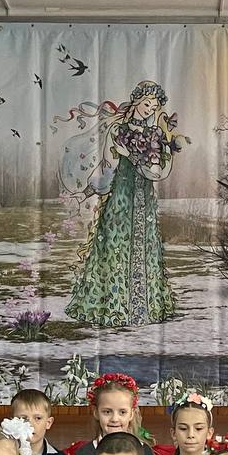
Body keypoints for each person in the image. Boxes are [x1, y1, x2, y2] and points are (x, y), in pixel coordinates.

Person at [57, 79, 186, 328]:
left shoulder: (156, 134)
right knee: (115, 247)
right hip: (120, 198)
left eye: (154, 106)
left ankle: (144, 308)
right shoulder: (118, 130)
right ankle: (114, 308)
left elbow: (158, 172)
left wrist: (133, 156)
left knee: (145, 248)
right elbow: (108, 167)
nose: (149, 109)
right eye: (147, 104)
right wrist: (91, 190)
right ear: (136, 101)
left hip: (145, 202)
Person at [71, 373, 159, 455]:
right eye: (107, 412)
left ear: (131, 413)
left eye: (122, 412)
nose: (114, 419)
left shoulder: (145, 452)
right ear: (96, 412)